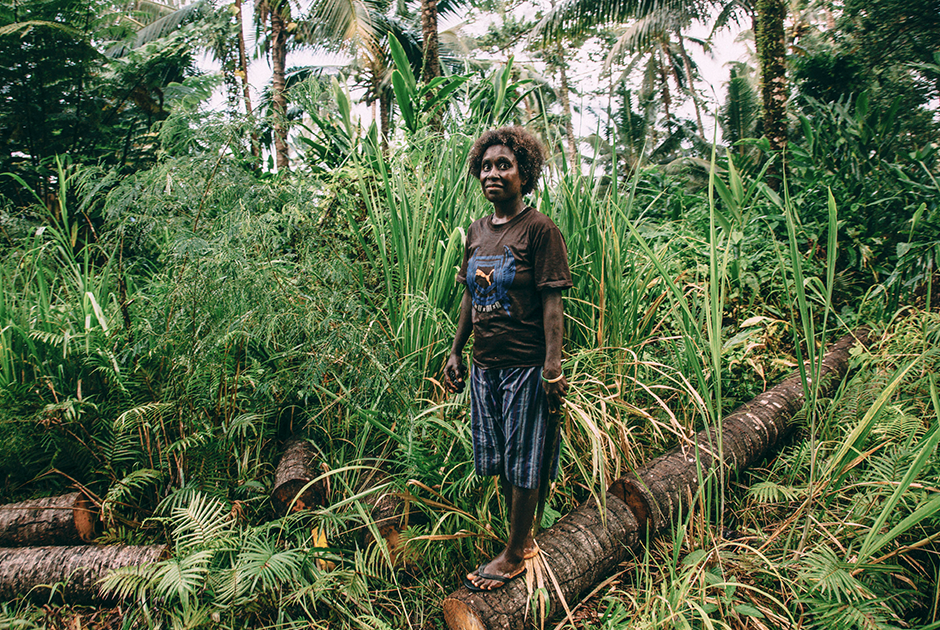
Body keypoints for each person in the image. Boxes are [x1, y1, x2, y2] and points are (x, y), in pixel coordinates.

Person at [443, 126, 572, 592]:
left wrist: (552, 366)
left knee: (524, 459)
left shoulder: (540, 230)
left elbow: (553, 302)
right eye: (486, 166)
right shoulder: (478, 232)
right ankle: (522, 538)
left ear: (525, 174)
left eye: (505, 165)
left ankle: (516, 554)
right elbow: (470, 298)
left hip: (524, 366)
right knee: (499, 457)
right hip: (485, 366)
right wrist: (456, 350)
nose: (493, 173)